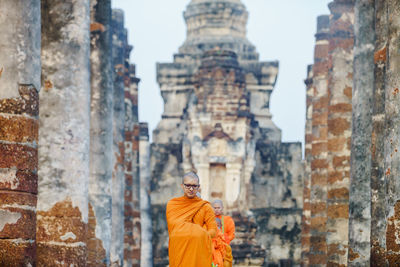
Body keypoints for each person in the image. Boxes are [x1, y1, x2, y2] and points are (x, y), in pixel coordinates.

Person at [166, 171, 217, 267]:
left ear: (199, 187)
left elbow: (213, 230)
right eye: (188, 185)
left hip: (198, 252)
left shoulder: (205, 206)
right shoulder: (172, 204)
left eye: (194, 186)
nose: (191, 189)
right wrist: (197, 232)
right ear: (182, 186)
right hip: (179, 250)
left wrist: (199, 235)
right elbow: (174, 227)